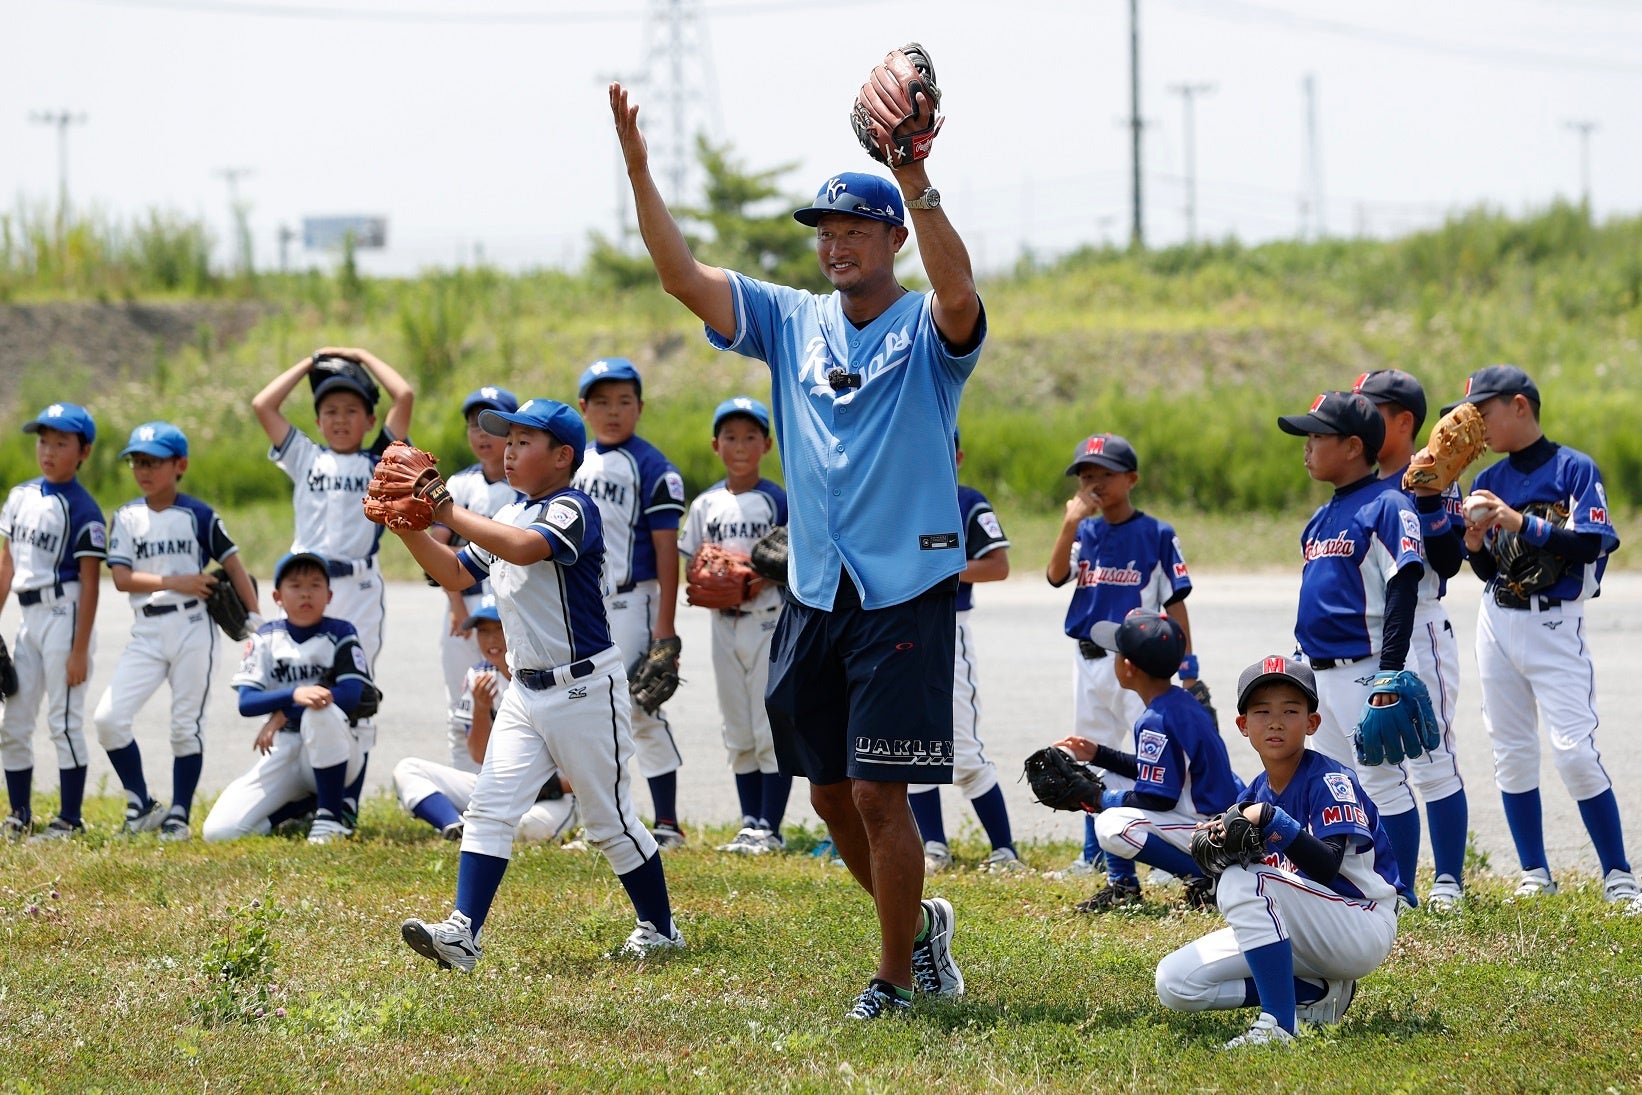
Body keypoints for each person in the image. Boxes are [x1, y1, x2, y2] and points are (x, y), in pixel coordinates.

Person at [610, 82, 977, 1018]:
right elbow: (681, 275)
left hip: (904, 589)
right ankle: (919, 922)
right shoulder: (791, 318)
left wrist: (915, 175)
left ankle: (894, 978)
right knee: (826, 797)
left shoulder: (928, 331)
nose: (836, 241)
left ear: (892, 237)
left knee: (879, 793)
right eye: (825, 229)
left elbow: (962, 294)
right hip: (816, 590)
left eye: (855, 226)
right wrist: (642, 172)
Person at [394, 398, 681, 968]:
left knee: (609, 821)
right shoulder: (509, 515)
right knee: (489, 808)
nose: (509, 449)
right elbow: (452, 570)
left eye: (525, 441)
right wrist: (404, 526)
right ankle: (461, 934)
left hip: (583, 689)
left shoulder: (573, 507)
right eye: (508, 440)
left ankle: (660, 927)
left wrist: (445, 510)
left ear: (562, 456)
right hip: (525, 690)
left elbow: (526, 550)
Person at [1453, 364, 1640, 912]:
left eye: (1483, 413)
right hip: (1499, 619)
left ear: (1519, 405)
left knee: (1575, 753)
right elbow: (1490, 573)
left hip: (1557, 623)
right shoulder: (1492, 478)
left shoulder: (1574, 468)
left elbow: (1592, 543)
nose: (1476, 426)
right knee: (1511, 752)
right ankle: (1535, 870)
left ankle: (1619, 873)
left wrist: (1520, 522)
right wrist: (1474, 542)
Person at [1155, 656, 1400, 1048]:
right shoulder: (1252, 793)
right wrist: (1215, 846)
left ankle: (1278, 1025)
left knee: (1242, 881)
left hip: (1358, 924)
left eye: (1290, 710)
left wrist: (1272, 820)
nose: (1275, 721)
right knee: (1175, 981)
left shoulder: (1330, 780)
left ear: (1312, 723)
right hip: (1297, 929)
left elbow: (1325, 867)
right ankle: (1314, 993)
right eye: (1262, 711)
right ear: (1243, 725)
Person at [252, 347, 414, 821]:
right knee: (300, 678)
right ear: (317, 421)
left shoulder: (378, 461)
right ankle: (304, 794)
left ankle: (344, 801)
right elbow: (264, 405)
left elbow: (403, 394)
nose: (340, 419)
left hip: (358, 588)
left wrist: (362, 355)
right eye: (329, 411)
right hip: (306, 584)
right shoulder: (305, 457)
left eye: (351, 411)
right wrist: (310, 362)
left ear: (369, 420)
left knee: (354, 690)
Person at [1278, 390, 1426, 904]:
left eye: (1318, 437)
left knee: (1383, 782)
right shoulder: (1320, 520)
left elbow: (1403, 588)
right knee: (1340, 785)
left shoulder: (1388, 506)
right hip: (1319, 672)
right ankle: (1356, 886)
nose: (1308, 447)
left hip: (1364, 670)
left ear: (1353, 446)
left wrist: (1389, 674)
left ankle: (1401, 893)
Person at [1044, 432, 1200, 907]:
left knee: (1151, 758)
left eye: (1105, 475)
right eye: (1086, 476)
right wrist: (1071, 521)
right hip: (1090, 659)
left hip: (1141, 664)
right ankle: (1099, 853)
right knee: (1094, 757)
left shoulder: (1155, 533)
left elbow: (1175, 604)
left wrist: (1189, 668)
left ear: (1131, 478)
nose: (1094, 484)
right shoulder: (1085, 531)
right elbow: (1054, 576)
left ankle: (1167, 855)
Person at [92, 422, 263, 841]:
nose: (143, 470)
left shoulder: (200, 514)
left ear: (179, 464)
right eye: (136, 461)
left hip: (193, 627)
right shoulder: (127, 517)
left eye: (153, 461)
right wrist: (177, 580)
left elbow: (235, 566)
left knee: (185, 725)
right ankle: (140, 804)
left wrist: (258, 622)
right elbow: (121, 578)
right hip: (147, 631)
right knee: (108, 718)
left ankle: (180, 814)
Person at [1350, 370, 1473, 910]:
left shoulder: (1438, 474)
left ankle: (1448, 880)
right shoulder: (1360, 481)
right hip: (1363, 630)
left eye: (1372, 409)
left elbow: (1448, 563)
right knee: (1374, 760)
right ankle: (1393, 882)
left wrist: (1429, 498)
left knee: (1430, 755)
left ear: (1405, 420)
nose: (1361, 418)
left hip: (1419, 623)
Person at [1048, 610, 1244, 911]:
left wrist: (1100, 800)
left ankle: (1205, 876)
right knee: (1106, 777)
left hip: (1208, 827)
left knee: (1113, 825)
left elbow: (1157, 799)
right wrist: (1098, 754)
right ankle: (1123, 886)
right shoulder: (1178, 701)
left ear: (1128, 668)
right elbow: (1155, 771)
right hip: (1209, 809)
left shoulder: (1154, 720)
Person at [570, 357, 689, 847]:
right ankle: (600, 822)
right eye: (601, 402)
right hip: (582, 605)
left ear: (640, 407)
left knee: (640, 708)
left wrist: (665, 628)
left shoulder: (653, 467)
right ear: (583, 408)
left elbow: (666, 551)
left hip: (631, 601)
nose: (612, 411)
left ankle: (666, 822)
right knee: (585, 713)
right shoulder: (571, 461)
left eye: (623, 401)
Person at [678, 397, 791, 854]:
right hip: (723, 624)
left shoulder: (778, 499)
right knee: (736, 727)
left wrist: (755, 574)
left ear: (766, 444)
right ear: (715, 444)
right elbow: (692, 562)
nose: (740, 446)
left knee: (768, 726)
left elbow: (798, 557)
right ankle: (749, 822)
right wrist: (710, 578)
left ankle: (772, 827)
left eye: (750, 437)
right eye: (730, 437)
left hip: (769, 622)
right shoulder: (705, 503)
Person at [201, 551, 374, 844]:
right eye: (295, 585)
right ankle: (300, 808)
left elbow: (350, 695)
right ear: (277, 596)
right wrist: (295, 693)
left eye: (315, 585)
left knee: (322, 709)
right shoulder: (265, 638)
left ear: (329, 595)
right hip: (285, 749)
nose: (306, 592)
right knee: (219, 833)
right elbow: (246, 702)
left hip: (337, 750)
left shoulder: (341, 632)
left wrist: (284, 713)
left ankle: (331, 817)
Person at [912, 431, 1022, 874]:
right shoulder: (899, 499)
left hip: (947, 629)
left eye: (943, 449)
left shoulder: (966, 501)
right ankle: (934, 845)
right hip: (901, 631)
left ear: (957, 454)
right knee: (911, 745)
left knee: (963, 747)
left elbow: (998, 565)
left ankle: (1005, 850)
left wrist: (939, 571)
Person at [392, 595, 577, 845]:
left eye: (498, 629)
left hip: (555, 795)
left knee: (528, 828)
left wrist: (548, 787)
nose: (490, 639)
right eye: (483, 631)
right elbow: (478, 755)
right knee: (407, 769)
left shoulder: (550, 675)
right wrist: (480, 709)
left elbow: (583, 765)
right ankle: (456, 827)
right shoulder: (479, 676)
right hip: (499, 788)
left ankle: (482, 828)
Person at [0, 403, 105, 840]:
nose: (49, 450)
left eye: (62, 442)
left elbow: (92, 582)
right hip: (29, 617)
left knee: (63, 720)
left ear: (83, 452)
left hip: (66, 613)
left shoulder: (84, 509)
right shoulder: (21, 496)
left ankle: (70, 819)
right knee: (14, 720)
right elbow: (5, 565)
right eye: (44, 440)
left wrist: (79, 651)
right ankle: (20, 814)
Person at [431, 386, 522, 771]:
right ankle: (465, 781)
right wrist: (454, 606)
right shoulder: (459, 483)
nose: (482, 435)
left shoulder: (525, 486)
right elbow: (439, 549)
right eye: (474, 426)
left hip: (511, 605)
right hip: (467, 603)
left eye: (492, 426)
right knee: (464, 697)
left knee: (515, 694)